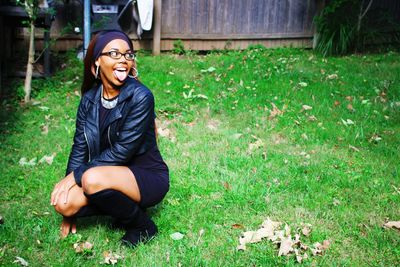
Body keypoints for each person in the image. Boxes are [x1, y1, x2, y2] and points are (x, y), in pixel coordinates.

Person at [50, 30, 169, 247]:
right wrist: (70, 190)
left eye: (128, 54)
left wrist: (77, 175)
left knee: (90, 179)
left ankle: (143, 226)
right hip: (107, 173)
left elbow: (123, 150)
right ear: (97, 61)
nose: (123, 59)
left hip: (146, 176)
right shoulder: (89, 100)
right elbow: (80, 147)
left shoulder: (141, 96)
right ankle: (124, 209)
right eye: (114, 53)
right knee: (63, 202)